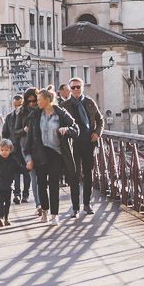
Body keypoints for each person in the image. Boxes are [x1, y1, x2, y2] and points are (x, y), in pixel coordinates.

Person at [24, 86, 79, 224]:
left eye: (39, 99)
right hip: (40, 152)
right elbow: (30, 138)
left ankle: (55, 215)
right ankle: (45, 212)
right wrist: (28, 157)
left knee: (54, 184)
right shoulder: (35, 115)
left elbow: (76, 129)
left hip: (56, 152)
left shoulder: (60, 113)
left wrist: (67, 129)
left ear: (48, 100)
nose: (37, 102)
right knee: (41, 184)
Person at [64, 77, 104, 216]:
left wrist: (97, 133)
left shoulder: (89, 102)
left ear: (82, 88)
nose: (76, 90)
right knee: (74, 175)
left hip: (88, 142)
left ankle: (87, 204)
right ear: (69, 89)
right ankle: (75, 207)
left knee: (88, 174)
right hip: (72, 144)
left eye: (78, 87)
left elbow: (100, 120)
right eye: (73, 87)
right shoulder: (65, 105)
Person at [0, 139, 23, 227]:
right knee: (0, 203)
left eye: (6, 150)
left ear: (10, 150)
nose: (4, 152)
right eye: (2, 150)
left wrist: (27, 168)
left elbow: (19, 169)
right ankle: (0, 217)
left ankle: (6, 218)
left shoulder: (13, 160)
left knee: (7, 203)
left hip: (8, 186)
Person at [2, 94, 27, 202]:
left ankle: (25, 194)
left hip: (25, 148)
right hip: (14, 149)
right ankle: (17, 194)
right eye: (15, 105)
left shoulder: (27, 116)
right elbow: (5, 133)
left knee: (27, 172)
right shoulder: (9, 117)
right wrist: (7, 147)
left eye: (19, 105)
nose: (17, 107)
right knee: (15, 173)